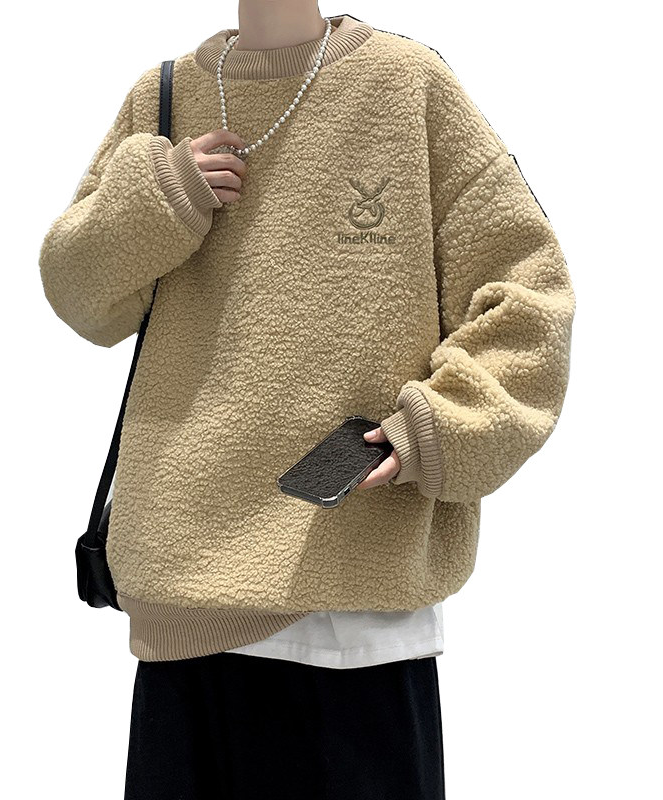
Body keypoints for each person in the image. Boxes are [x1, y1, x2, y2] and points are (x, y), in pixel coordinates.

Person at [38, 3, 575, 798]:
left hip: (354, 620)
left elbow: (528, 294)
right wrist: (163, 194)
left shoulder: (406, 85)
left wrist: (436, 428)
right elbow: (81, 295)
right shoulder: (165, 95)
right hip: (183, 615)